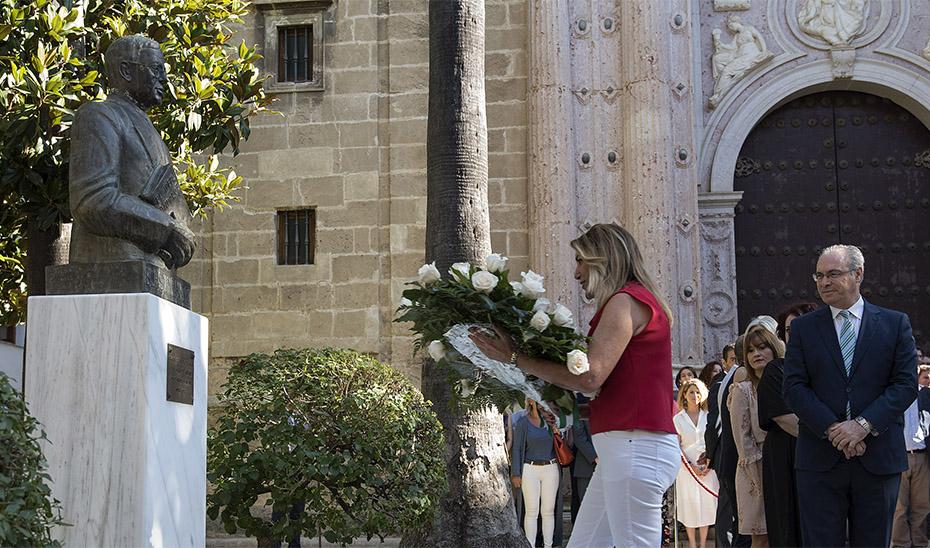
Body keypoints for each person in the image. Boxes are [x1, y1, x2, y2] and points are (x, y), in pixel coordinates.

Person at [471, 222, 679, 546]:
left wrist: (515, 358)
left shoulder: (624, 302)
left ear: (602, 259)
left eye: (581, 261)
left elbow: (592, 375)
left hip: (634, 447)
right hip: (624, 448)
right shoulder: (632, 301)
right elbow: (610, 384)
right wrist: (566, 407)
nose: (577, 272)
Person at [784, 244, 918, 547]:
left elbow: (905, 384)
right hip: (819, 460)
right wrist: (833, 429)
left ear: (858, 274)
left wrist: (862, 425)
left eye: (833, 274)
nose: (824, 282)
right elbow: (793, 387)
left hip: (878, 458)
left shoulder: (895, 324)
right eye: (818, 275)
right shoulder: (804, 329)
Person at [69, 35, 195, 270]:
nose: (164, 78)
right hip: (112, 263)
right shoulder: (99, 115)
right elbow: (93, 199)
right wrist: (165, 229)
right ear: (126, 71)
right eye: (156, 69)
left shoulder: (151, 131)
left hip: (150, 266)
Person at [756, 303, 816, 547]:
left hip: (824, 459)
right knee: (788, 526)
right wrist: (832, 438)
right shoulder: (776, 370)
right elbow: (784, 418)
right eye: (790, 329)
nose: (797, 333)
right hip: (786, 456)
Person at [730, 326, 783, 547]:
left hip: (785, 465)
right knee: (761, 538)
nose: (756, 354)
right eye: (750, 351)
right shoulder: (743, 391)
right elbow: (743, 441)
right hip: (756, 470)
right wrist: (760, 480)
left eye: (762, 348)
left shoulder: (789, 385)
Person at [705, 334, 751, 548]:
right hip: (730, 456)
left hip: (732, 456)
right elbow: (714, 424)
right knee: (730, 514)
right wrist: (712, 455)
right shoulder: (723, 383)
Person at [674, 378, 718, 548]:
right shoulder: (678, 419)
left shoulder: (709, 417)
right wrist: (690, 466)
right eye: (691, 392)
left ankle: (703, 542)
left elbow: (714, 441)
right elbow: (676, 446)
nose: (695, 395)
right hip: (686, 468)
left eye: (698, 391)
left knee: (706, 504)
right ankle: (692, 544)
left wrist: (708, 462)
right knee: (689, 504)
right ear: (684, 395)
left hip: (708, 466)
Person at [891, 362, 930, 548]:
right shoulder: (892, 394)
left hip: (922, 456)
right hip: (899, 456)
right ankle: (900, 545)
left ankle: (921, 545)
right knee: (899, 509)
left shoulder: (925, 395)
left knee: (922, 508)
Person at [511, 399, 559, 548]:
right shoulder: (523, 423)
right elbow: (517, 449)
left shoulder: (552, 421)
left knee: (548, 511)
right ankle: (530, 545)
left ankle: (548, 545)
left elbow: (564, 445)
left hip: (550, 468)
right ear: (531, 402)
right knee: (531, 511)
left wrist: (558, 432)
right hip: (529, 469)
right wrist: (516, 473)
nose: (541, 403)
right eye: (537, 399)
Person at [570, 398, 597, 525]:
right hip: (586, 466)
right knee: (584, 506)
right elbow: (579, 437)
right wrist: (595, 457)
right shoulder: (580, 401)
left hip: (609, 464)